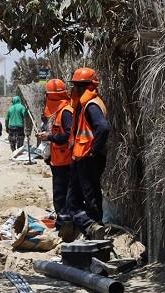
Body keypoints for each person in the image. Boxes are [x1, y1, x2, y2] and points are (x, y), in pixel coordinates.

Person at [59, 67, 110, 242]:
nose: (78, 89)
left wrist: (93, 152)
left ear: (91, 86)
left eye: (82, 85)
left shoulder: (92, 105)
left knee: (91, 199)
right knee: (72, 201)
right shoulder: (83, 104)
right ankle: (91, 227)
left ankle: (95, 231)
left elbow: (103, 128)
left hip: (88, 159)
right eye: (76, 86)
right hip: (80, 158)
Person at [36, 79, 74, 220]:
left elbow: (68, 135)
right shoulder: (60, 111)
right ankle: (64, 222)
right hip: (58, 160)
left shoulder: (66, 112)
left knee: (61, 196)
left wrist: (49, 137)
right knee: (61, 195)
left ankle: (65, 224)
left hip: (66, 162)